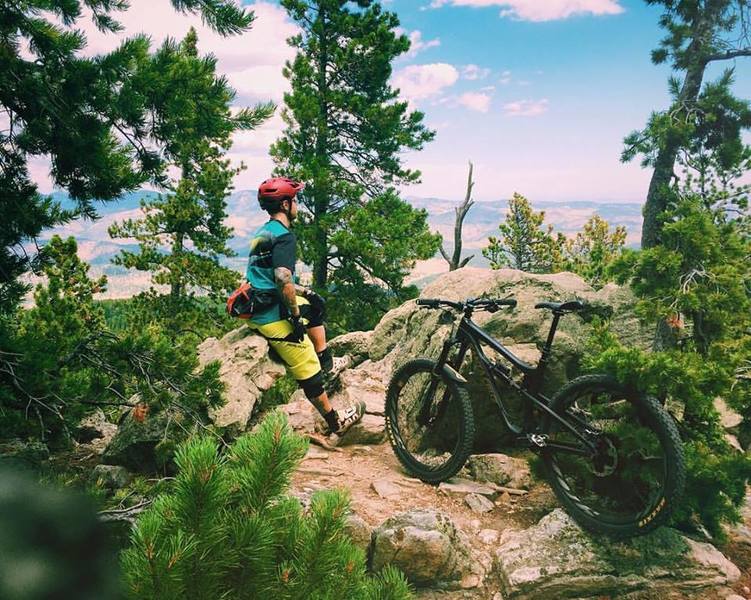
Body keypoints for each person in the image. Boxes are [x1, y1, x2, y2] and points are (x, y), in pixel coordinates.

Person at [245, 176, 364, 436]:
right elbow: (282, 278)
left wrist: (307, 294)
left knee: (315, 305)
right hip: (270, 315)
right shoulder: (284, 237)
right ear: (286, 205)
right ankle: (335, 421)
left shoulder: (264, 232)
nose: (297, 204)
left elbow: (266, 278)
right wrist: (295, 316)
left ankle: (327, 363)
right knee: (306, 364)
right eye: (295, 200)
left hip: (260, 304)